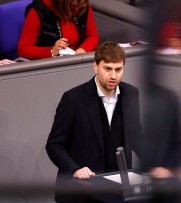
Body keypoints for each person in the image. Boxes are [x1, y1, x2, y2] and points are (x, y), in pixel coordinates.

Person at [46, 41, 141, 202]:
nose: (113, 76)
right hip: (81, 193)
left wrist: (157, 164)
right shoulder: (73, 99)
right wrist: (75, 169)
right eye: (107, 69)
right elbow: (54, 145)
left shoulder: (131, 94)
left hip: (117, 193)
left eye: (118, 69)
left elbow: (136, 137)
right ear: (95, 67)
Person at [18, 0, 99, 59]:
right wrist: (53, 51)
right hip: (51, 62)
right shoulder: (39, 10)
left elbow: (92, 36)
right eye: (73, 6)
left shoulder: (82, 6)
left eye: (81, 4)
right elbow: (23, 49)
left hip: (77, 59)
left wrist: (82, 50)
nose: (77, 8)